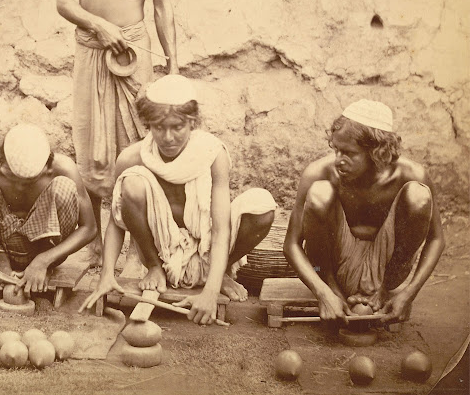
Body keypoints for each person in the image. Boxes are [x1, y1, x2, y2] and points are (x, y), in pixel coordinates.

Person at [56, 0, 179, 264]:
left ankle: (138, 248)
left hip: (132, 52)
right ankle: (94, 248)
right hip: (92, 50)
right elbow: (63, 1)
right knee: (91, 144)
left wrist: (172, 66)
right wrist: (97, 25)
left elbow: (161, 4)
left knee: (137, 145)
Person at [79, 75, 276, 324]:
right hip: (164, 251)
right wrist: (107, 274)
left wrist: (210, 293)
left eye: (177, 127)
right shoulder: (131, 158)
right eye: (159, 127)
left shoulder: (213, 154)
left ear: (192, 122)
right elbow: (116, 221)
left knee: (262, 204)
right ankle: (154, 268)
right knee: (132, 183)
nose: (168, 137)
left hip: (207, 244)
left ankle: (220, 273)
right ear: (147, 125)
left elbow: (221, 228)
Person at [283, 99, 445, 323]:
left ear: (377, 152)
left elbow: (436, 239)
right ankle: (335, 290)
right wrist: (324, 293)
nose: (339, 160)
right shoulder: (320, 172)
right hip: (335, 270)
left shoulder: (411, 174)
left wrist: (408, 294)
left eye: (349, 153)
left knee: (419, 195)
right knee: (319, 192)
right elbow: (291, 244)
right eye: (336, 150)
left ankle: (384, 291)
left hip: (389, 272)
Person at [0, 123, 97, 296]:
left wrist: (43, 261)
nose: (20, 185)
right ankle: (3, 265)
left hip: (47, 250)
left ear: (48, 164)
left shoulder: (62, 169)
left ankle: (42, 268)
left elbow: (89, 228)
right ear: (0, 160)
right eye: (12, 176)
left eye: (30, 180)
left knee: (64, 186)